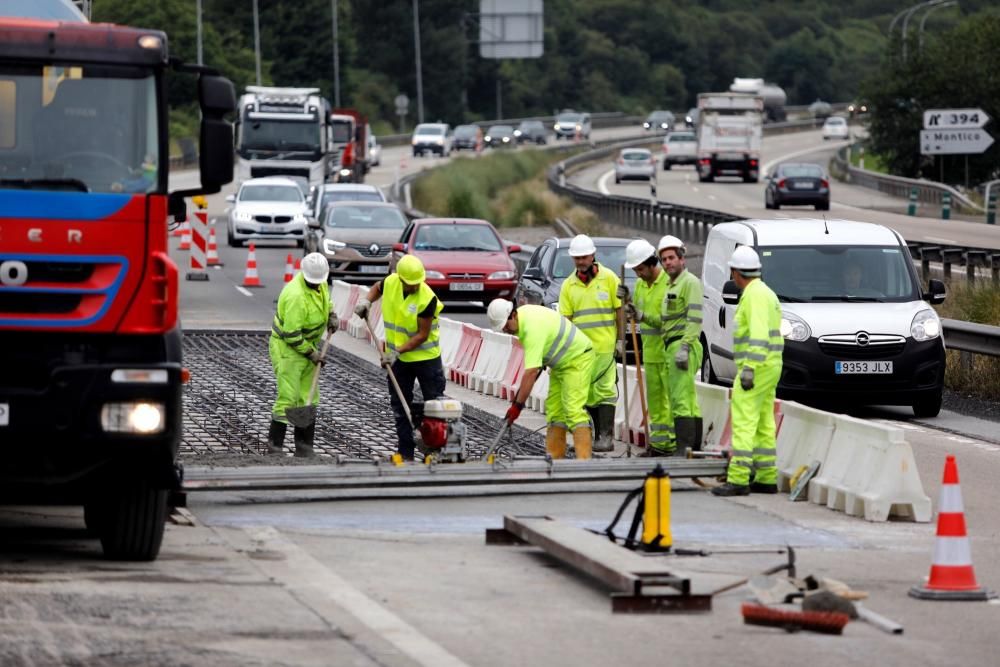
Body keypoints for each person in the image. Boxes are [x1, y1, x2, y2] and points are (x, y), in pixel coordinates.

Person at [355, 255, 445, 461]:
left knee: (434, 405)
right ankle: (406, 453)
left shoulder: (427, 298)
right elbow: (377, 288)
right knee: (400, 404)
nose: (414, 287)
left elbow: (422, 335)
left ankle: (436, 452)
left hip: (426, 359)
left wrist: (396, 352)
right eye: (410, 284)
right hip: (399, 361)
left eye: (417, 283)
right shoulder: (391, 282)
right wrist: (366, 301)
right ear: (401, 279)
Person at [712, 246, 784, 497]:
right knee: (764, 421)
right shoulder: (764, 293)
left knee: (743, 419)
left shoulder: (754, 296)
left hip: (757, 367)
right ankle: (766, 477)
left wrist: (750, 368)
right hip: (770, 366)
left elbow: (759, 334)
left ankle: (738, 478)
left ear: (735, 272)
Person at [488, 299, 595, 459]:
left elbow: (531, 372)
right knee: (555, 413)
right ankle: (555, 459)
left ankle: (584, 463)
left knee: (573, 410)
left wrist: (517, 406)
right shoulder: (523, 320)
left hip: (578, 359)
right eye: (502, 329)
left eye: (506, 326)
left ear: (514, 315)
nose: (506, 331)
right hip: (561, 365)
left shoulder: (531, 328)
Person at [558, 234, 622, 452]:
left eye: (584, 257)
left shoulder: (610, 279)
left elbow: (620, 310)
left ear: (593, 255)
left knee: (604, 391)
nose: (580, 262)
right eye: (576, 258)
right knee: (585, 393)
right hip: (581, 351)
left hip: (604, 347)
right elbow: (566, 321)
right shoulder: (569, 285)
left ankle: (606, 437)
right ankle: (592, 436)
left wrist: (621, 341)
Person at [268, 252, 335, 457]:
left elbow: (325, 301)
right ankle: (275, 448)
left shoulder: (319, 282)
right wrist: (312, 354)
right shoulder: (295, 295)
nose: (317, 285)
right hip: (288, 349)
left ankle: (304, 447)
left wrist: (332, 314)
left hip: (309, 347)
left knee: (308, 396)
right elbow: (291, 335)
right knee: (289, 396)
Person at [619, 239, 675, 456]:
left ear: (653, 263)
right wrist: (629, 303)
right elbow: (637, 312)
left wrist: (641, 315)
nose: (638, 274)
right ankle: (659, 444)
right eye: (635, 270)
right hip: (650, 353)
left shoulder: (670, 284)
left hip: (668, 353)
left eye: (640, 269)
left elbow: (667, 320)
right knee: (655, 402)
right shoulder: (641, 285)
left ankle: (671, 445)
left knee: (669, 401)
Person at [658, 234, 704, 456]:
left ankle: (683, 447)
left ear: (681, 258)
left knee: (679, 398)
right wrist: (640, 315)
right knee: (689, 398)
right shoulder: (671, 286)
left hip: (682, 346)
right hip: (674, 345)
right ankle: (693, 447)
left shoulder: (690, 283)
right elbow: (667, 321)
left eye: (671, 258)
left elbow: (695, 318)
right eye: (664, 259)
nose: (667, 263)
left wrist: (685, 347)